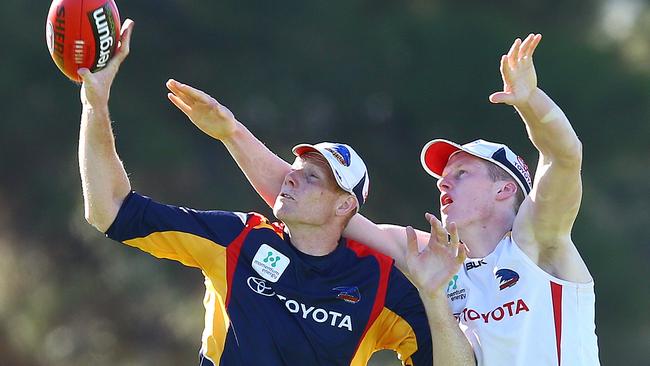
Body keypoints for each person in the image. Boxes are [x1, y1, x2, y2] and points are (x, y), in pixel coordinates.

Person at [78, 19, 475, 365]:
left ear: (345, 205)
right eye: (295, 170)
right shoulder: (238, 239)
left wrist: (436, 297)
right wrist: (95, 103)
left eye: (312, 178)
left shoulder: (379, 282)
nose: (290, 178)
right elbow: (109, 210)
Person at [206, 34, 600, 365]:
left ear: (505, 190)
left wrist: (531, 102)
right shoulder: (435, 259)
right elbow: (316, 204)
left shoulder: (538, 241)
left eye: (461, 174)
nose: (444, 185)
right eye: (442, 179)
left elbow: (564, 157)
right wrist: (231, 133)